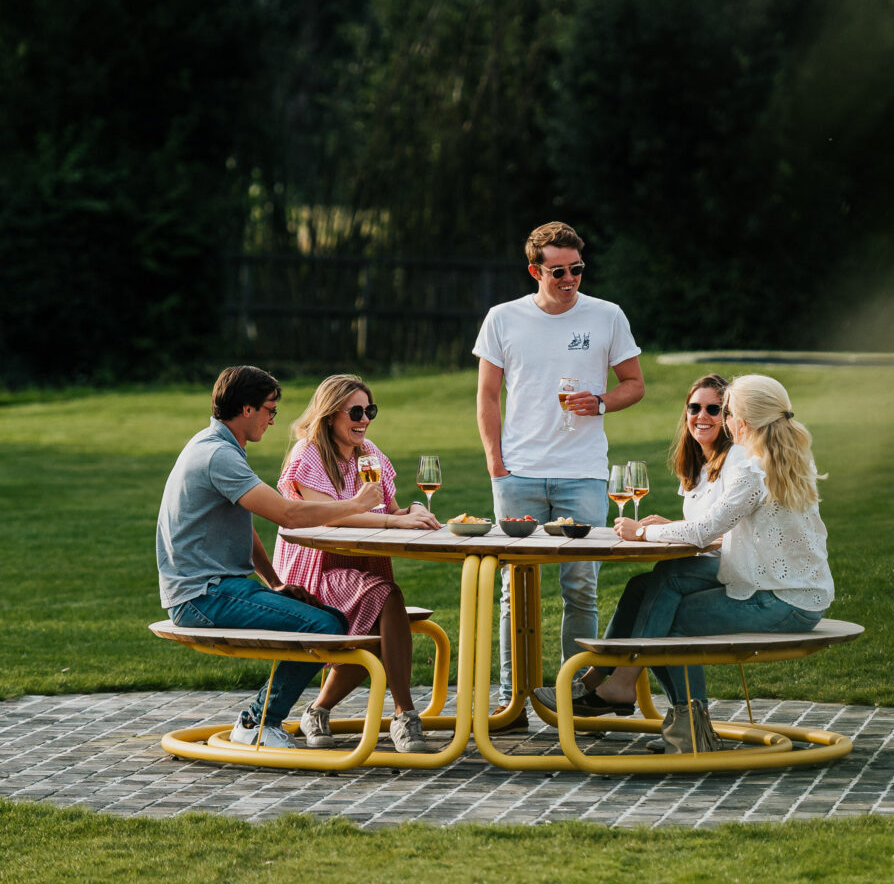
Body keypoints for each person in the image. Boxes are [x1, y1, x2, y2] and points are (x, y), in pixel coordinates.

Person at [553, 374, 833, 755]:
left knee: (668, 620)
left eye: (727, 411)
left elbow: (703, 531)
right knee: (655, 584)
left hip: (782, 601)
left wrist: (642, 533)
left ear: (743, 422)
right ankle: (624, 687)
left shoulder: (753, 470)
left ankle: (686, 728)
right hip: (783, 587)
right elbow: (716, 527)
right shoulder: (782, 455)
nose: (724, 421)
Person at [156, 366, 383, 749]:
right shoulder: (218, 456)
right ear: (246, 409)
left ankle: (261, 720)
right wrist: (354, 504)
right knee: (324, 628)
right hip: (202, 596)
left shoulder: (218, 446)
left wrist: (274, 583)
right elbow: (288, 513)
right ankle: (257, 723)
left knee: (332, 619)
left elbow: (244, 527)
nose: (273, 420)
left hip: (215, 588)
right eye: (269, 410)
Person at [473, 221, 645, 728]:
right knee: (513, 588)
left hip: (583, 474)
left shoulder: (607, 316)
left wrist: (603, 402)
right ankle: (512, 700)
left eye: (577, 269)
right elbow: (487, 395)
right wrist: (496, 464)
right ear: (535, 271)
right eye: (558, 271)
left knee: (581, 588)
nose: (570, 278)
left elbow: (634, 383)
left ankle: (571, 694)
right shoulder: (503, 319)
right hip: (518, 473)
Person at [533, 372, 732, 750]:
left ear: (730, 416)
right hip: (709, 563)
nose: (701, 416)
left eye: (713, 409)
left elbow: (724, 534)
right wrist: (674, 526)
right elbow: (704, 527)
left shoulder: (735, 464)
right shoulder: (701, 467)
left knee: (664, 592)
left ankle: (617, 684)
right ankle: (598, 679)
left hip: (734, 571)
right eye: (694, 407)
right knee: (642, 585)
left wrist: (649, 532)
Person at [273, 374, 441, 753]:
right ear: (330, 415)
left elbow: (392, 508)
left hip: (362, 565)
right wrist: (393, 521)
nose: (364, 419)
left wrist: (412, 509)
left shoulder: (369, 454)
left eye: (370, 410)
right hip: (315, 568)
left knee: (385, 621)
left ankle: (318, 711)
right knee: (387, 600)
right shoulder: (309, 454)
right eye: (355, 411)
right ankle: (404, 717)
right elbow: (329, 517)